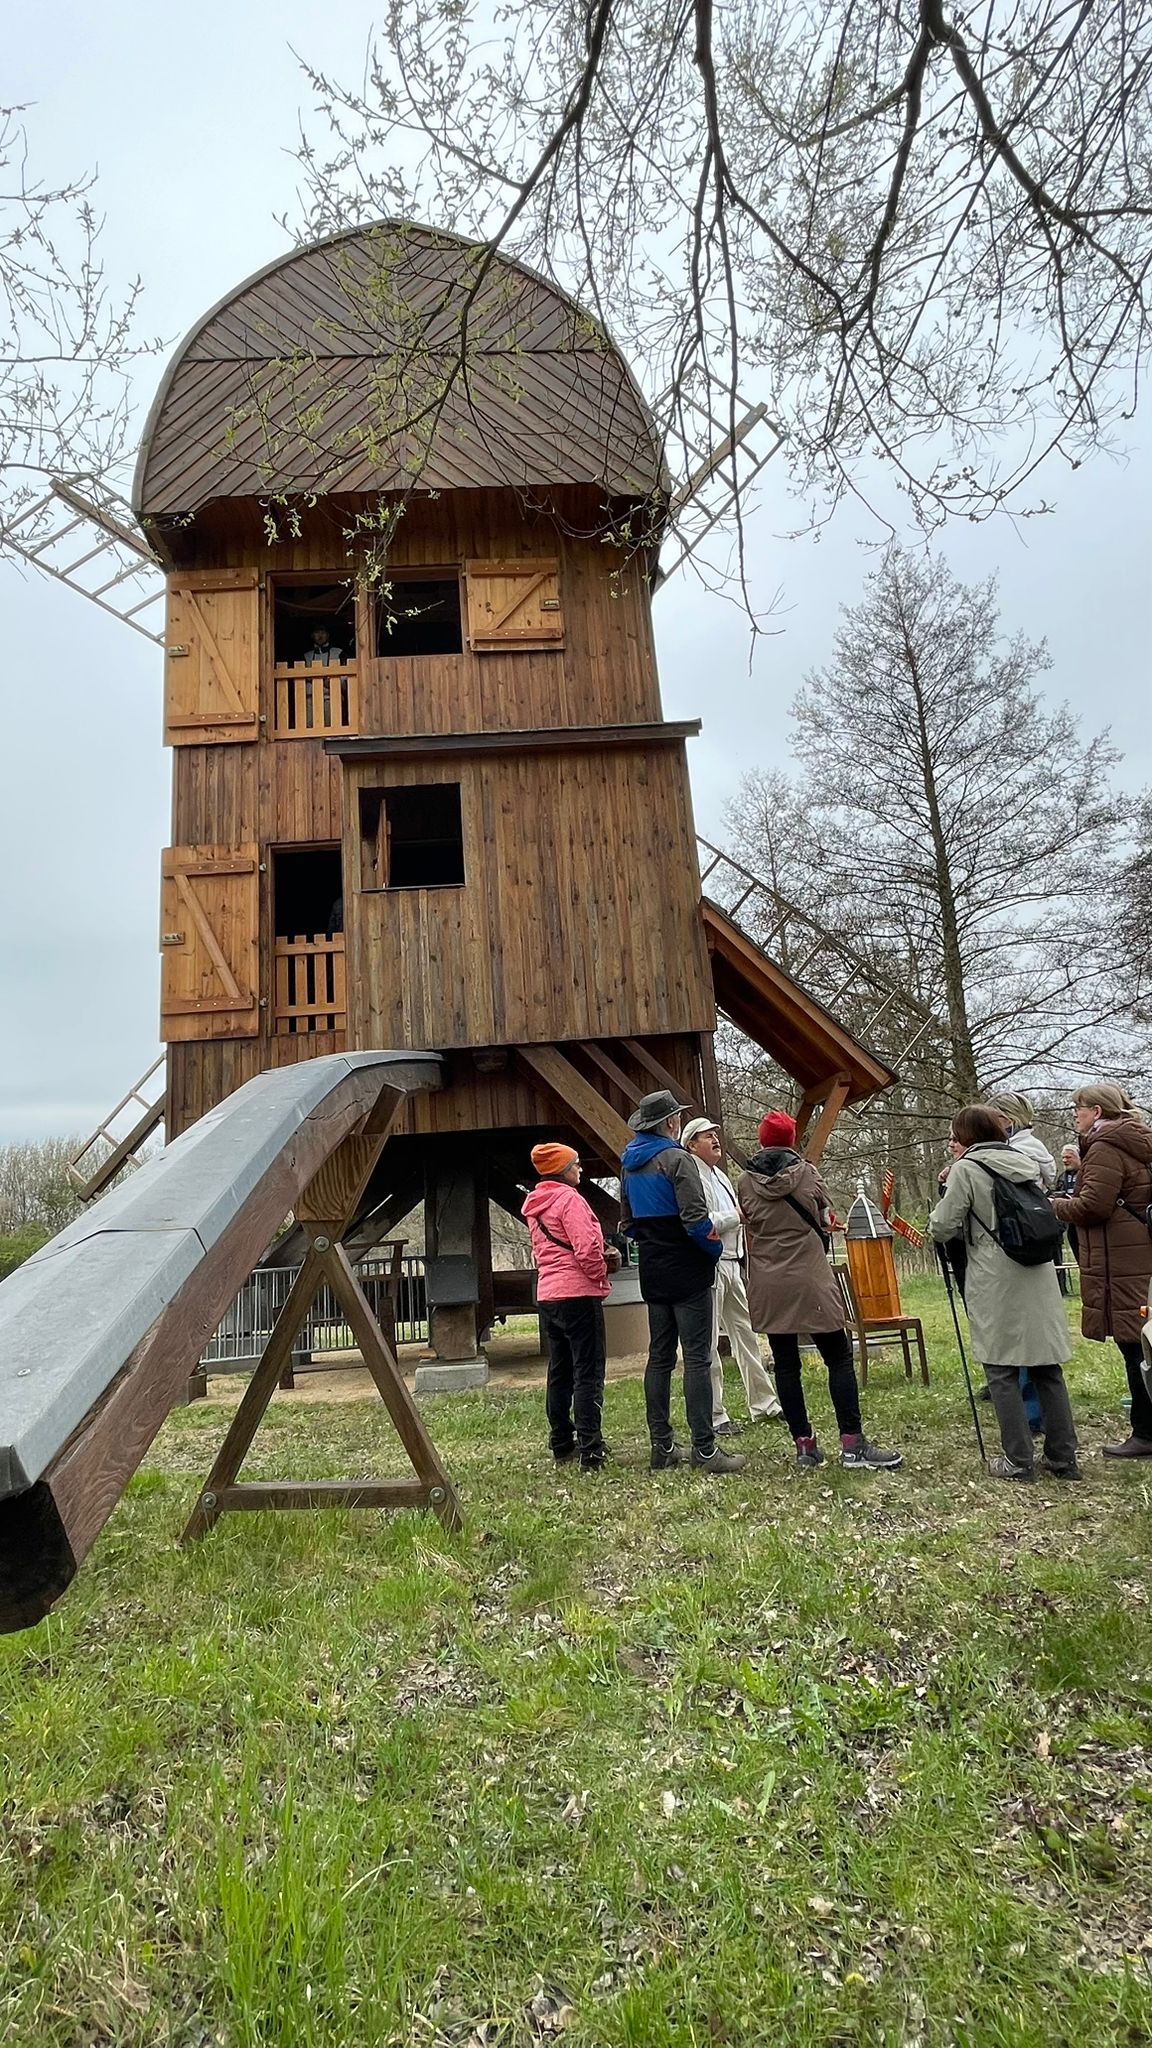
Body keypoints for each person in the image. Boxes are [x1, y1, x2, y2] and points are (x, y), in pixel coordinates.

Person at [739, 1110, 903, 1471]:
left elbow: (748, 1222)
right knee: (838, 1356)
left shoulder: (744, 1182)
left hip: (768, 1281)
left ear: (762, 1139)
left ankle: (804, 1447)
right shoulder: (808, 1173)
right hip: (810, 1277)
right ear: (792, 1139)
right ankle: (852, 1443)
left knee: (785, 1364)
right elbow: (826, 1216)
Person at [928, 1104, 1079, 1480]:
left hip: (995, 1275)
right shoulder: (1025, 1162)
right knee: (1047, 1367)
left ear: (966, 1135)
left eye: (955, 1135)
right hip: (1038, 1270)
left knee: (1001, 1368)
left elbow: (942, 1226)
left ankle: (1017, 1460)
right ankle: (1063, 1458)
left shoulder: (967, 1169)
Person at [620, 1090, 746, 1474]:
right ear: (671, 1123)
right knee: (696, 1358)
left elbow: (627, 1224)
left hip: (653, 1271)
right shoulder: (678, 1160)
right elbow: (697, 1222)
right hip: (687, 1268)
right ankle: (705, 1450)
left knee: (659, 1358)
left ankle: (662, 1447)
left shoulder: (629, 1166)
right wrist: (710, 1255)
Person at [1052, 1083, 1152, 1458]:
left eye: (1078, 1108)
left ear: (1096, 1111)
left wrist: (1055, 1205)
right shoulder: (1137, 1140)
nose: (1075, 1115)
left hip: (1122, 1260)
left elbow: (1094, 1205)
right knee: (1145, 1341)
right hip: (1140, 1253)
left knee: (1135, 1346)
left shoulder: (1106, 1145)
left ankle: (1145, 1433)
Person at [680, 1116, 782, 1431]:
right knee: (708, 1343)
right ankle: (715, 1415)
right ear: (691, 1144)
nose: (715, 1140)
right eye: (706, 1135)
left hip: (732, 1262)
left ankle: (764, 1404)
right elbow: (699, 1220)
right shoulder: (690, 1177)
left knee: (746, 1335)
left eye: (715, 1134)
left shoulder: (721, 1176)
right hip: (706, 1264)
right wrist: (734, 1217)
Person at [522, 1143, 618, 1470]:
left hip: (549, 1295)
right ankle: (592, 1448)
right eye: (576, 1164)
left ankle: (562, 1442)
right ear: (563, 1170)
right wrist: (600, 1274)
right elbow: (588, 1249)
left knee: (559, 1372)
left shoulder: (534, 1204)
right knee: (587, 1372)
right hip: (578, 1294)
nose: (581, 1169)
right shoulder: (570, 1200)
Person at [986, 1094, 1056, 1427]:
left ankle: (1030, 1413)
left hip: (1019, 1243)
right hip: (1031, 1242)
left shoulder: (1020, 1153)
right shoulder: (1033, 1150)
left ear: (1008, 1119)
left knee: (1023, 1335)